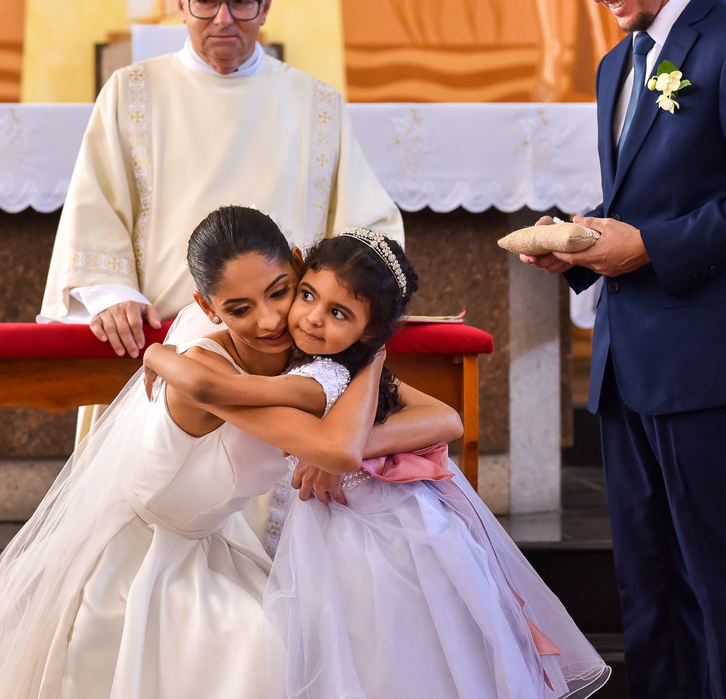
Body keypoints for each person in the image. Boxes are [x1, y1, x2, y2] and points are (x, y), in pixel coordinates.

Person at [0, 207, 456, 698]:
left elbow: (443, 419)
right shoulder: (206, 371)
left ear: (299, 265)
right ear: (208, 306)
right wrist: (368, 362)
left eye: (281, 291)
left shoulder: (309, 351)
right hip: (145, 562)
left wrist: (367, 361)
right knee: (265, 650)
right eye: (239, 308)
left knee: (340, 631)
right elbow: (334, 446)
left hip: (210, 544)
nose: (268, 320)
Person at [519, 0, 726, 697]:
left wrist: (649, 246)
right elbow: (645, 194)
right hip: (627, 363)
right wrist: (579, 248)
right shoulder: (618, 64)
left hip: (709, 364)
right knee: (648, 588)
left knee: (725, 585)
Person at [146, 220, 611, 698]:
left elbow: (225, 392)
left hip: (382, 529)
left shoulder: (326, 372)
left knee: (382, 640)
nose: (306, 318)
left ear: (368, 329)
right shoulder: (336, 359)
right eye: (306, 296)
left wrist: (158, 355)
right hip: (355, 522)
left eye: (338, 312)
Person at [39, 0, 402, 360]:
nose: (222, 19)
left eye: (241, 2)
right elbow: (94, 207)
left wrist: (330, 311)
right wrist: (110, 292)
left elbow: (366, 228)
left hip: (282, 349)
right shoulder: (131, 92)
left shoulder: (317, 105)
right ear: (180, 5)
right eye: (206, 1)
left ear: (265, 5)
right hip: (155, 342)